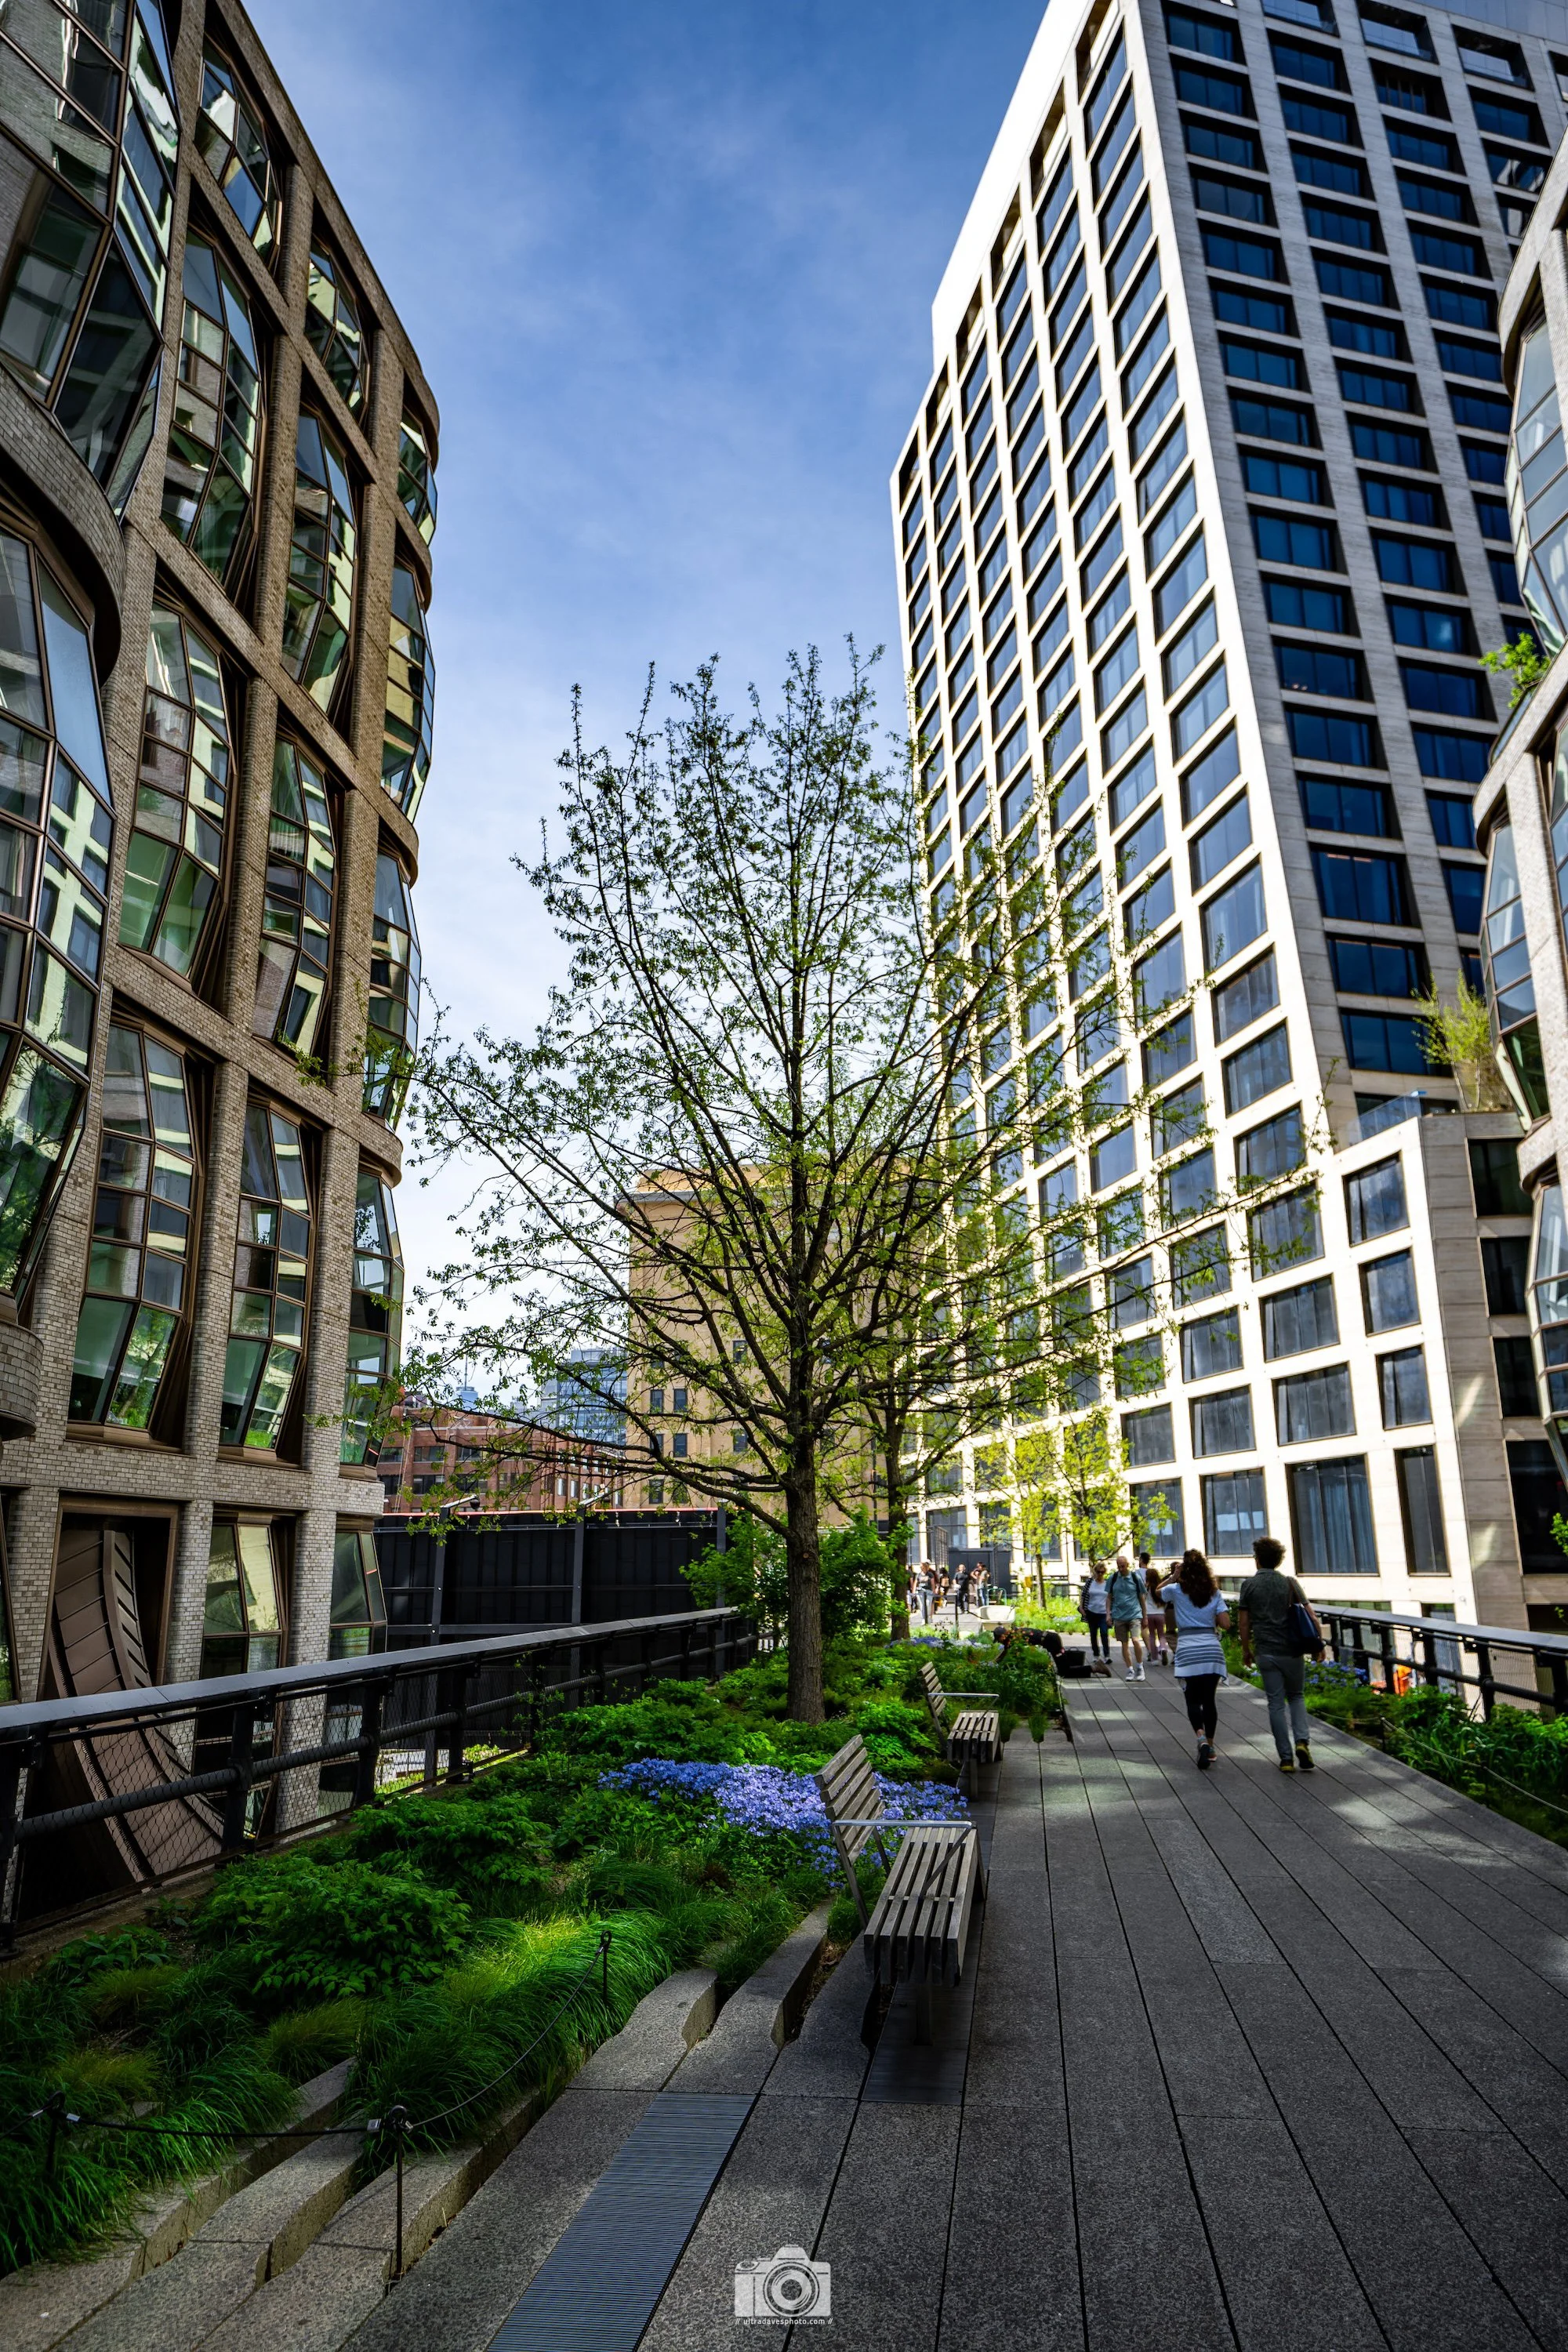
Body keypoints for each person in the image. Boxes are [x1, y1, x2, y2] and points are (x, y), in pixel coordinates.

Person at [1238, 1534, 1324, 1773]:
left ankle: (1286, 1758)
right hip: (1292, 1650)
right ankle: (1302, 1742)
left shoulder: (1249, 1586)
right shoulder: (1289, 1583)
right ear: (1278, 1560)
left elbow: (1244, 1623)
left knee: (1275, 1703)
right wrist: (1320, 1645)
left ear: (1257, 1559)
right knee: (1296, 1696)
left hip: (1266, 1651)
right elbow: (1312, 1616)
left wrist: (1246, 1649)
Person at [1163, 1548, 1231, 1769]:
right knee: (1209, 1700)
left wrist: (1173, 1577)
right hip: (1211, 1650)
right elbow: (1225, 1623)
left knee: (1192, 1699)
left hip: (1187, 1649)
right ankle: (1210, 1746)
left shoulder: (1176, 1590)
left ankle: (1200, 1738)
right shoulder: (1214, 1592)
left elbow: (1155, 1592)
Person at [1107, 1554, 1149, 1682]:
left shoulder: (1135, 1578)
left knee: (1136, 1640)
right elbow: (1109, 1597)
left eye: (1123, 1566)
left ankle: (1140, 1667)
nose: (1121, 1569)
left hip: (1134, 1614)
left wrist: (1145, 1616)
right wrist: (1108, 1614)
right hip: (1119, 1616)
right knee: (1124, 1643)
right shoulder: (1113, 1578)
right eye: (1119, 1566)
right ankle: (1130, 1669)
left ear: (1128, 1565)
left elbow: (1142, 1598)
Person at [1079, 1559, 1112, 1663]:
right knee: (1093, 1634)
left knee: (1104, 1633)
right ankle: (1096, 1655)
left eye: (1102, 1572)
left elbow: (1110, 1597)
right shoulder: (1090, 1582)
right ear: (1095, 1572)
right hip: (1091, 1612)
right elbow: (1083, 1595)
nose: (1100, 1574)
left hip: (1103, 1613)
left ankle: (1107, 1655)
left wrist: (1110, 1613)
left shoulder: (1107, 1583)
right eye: (1098, 1572)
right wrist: (1081, 1607)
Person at [1143, 1561, 1170, 1666]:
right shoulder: (1160, 1587)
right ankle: (1163, 1648)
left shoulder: (1146, 1587)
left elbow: (1142, 1600)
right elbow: (1165, 1600)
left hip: (1149, 1614)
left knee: (1152, 1636)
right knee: (1161, 1634)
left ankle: (1154, 1659)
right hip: (1160, 1613)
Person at [915, 1560, 935, 1627]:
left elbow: (933, 1583)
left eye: (922, 1566)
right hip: (920, 1591)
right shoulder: (918, 1574)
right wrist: (914, 1591)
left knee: (928, 1604)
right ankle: (923, 1619)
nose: (921, 1568)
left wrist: (933, 1591)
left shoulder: (930, 1574)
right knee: (922, 1605)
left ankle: (928, 1617)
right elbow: (916, 1583)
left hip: (928, 1591)